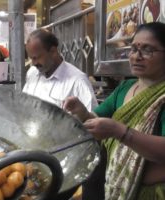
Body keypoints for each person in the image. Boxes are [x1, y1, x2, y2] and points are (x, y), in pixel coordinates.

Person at [64, 22, 165, 200]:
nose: (136, 56)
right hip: (117, 186)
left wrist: (120, 132)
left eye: (147, 50)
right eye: (133, 49)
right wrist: (81, 112)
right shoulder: (125, 87)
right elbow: (95, 119)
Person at [23, 28, 97, 111]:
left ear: (53, 51)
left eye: (36, 58)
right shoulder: (32, 73)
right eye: (31, 58)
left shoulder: (78, 81)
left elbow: (92, 119)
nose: (33, 63)